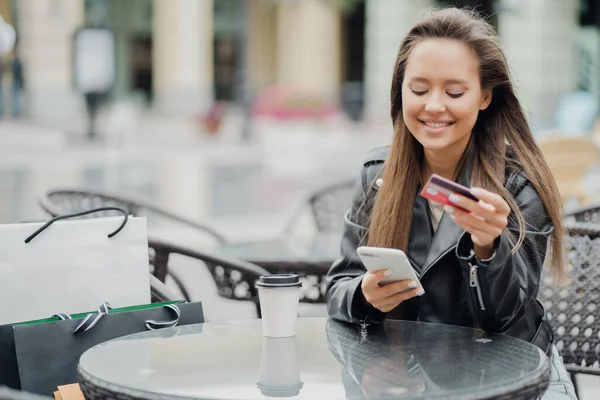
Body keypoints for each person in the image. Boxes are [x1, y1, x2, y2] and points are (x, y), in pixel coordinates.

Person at [325, 8, 577, 400]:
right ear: (400, 92)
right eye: (419, 90)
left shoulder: (519, 184)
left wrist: (488, 248)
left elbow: (505, 319)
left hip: (515, 381)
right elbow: (338, 288)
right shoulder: (378, 175)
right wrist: (365, 294)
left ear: (485, 97)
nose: (434, 106)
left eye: (455, 92)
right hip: (408, 379)